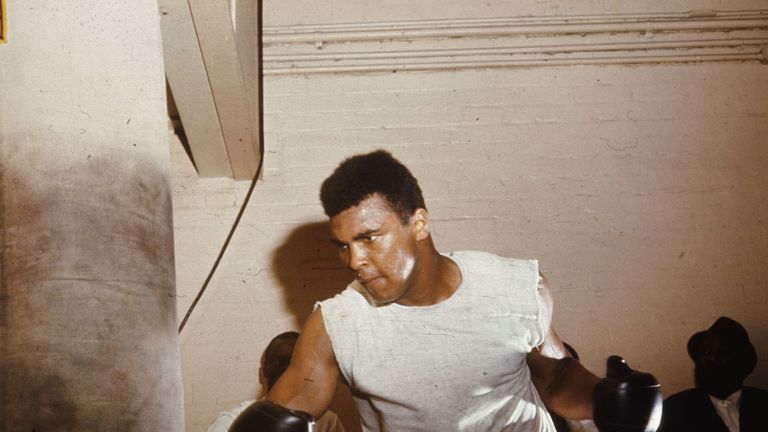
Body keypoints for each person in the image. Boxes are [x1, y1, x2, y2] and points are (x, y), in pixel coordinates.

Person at [232, 150, 661, 431]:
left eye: (369, 238)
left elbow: (557, 376)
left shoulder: (514, 286)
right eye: (343, 245)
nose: (354, 260)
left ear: (418, 223)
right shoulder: (338, 323)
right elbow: (286, 409)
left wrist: (604, 398)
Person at [208, 331, 345, 432]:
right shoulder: (230, 421)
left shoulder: (327, 421)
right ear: (264, 370)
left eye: (294, 363)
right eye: (278, 362)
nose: (286, 370)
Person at [659, 316, 768, 432]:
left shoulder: (763, 403)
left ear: (740, 360)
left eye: (723, 352)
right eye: (706, 352)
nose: (713, 358)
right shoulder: (675, 408)